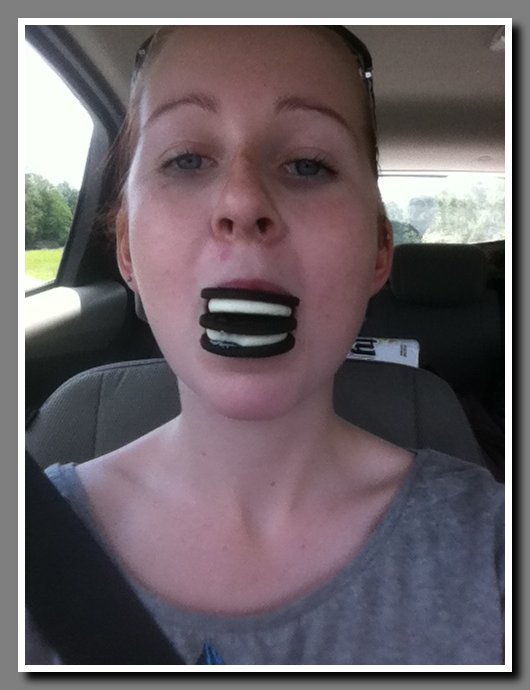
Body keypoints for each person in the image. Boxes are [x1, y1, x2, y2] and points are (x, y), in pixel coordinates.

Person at [26, 25, 504, 666]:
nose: (243, 201)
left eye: (308, 164)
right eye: (186, 159)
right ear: (127, 249)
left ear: (378, 251)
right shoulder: (26, 541)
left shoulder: (495, 547)